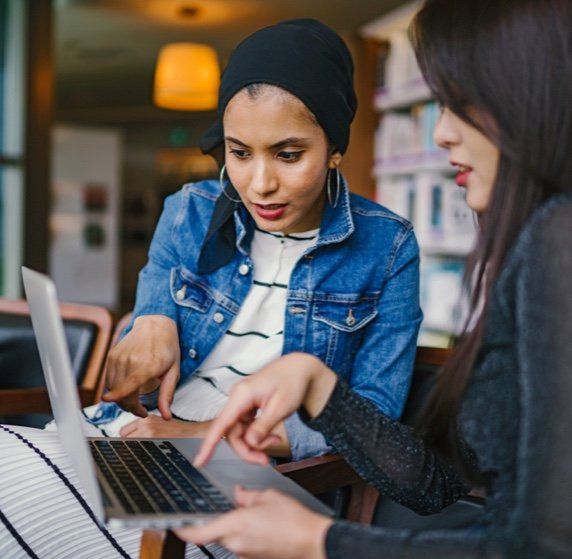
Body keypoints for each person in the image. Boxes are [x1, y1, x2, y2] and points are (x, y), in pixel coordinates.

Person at [0, 19, 422, 559]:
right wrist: (147, 319)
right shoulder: (190, 210)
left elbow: (372, 419)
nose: (259, 183)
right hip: (126, 435)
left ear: (335, 147)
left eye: (288, 155)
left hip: (243, 475)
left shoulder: (388, 247)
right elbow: (152, 307)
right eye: (239, 152)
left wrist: (206, 436)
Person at [176, 1, 572, 557]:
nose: (443, 135)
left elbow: (539, 550)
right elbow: (435, 486)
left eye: (461, 105)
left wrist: (318, 541)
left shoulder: (558, 241)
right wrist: (319, 386)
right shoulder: (536, 242)